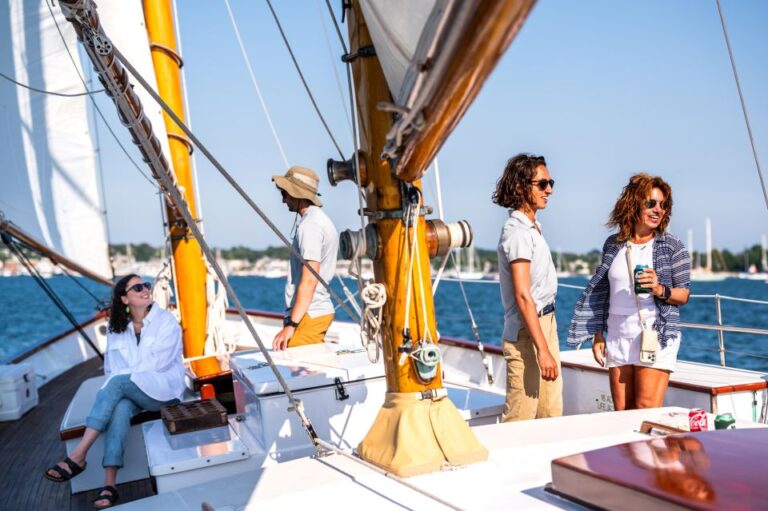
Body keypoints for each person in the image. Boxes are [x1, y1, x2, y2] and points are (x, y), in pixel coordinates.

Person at [43, 274, 185, 509]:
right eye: (137, 287)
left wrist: (122, 379)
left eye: (146, 285)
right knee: (119, 408)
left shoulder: (166, 322)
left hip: (163, 390)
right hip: (132, 389)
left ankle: (78, 455)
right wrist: (122, 381)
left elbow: (155, 366)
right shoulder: (117, 328)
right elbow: (111, 367)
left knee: (118, 383)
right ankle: (109, 484)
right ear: (124, 298)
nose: (145, 289)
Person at [568, 173, 690, 410]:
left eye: (663, 205)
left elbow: (683, 294)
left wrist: (658, 288)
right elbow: (603, 293)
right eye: (651, 203)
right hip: (617, 335)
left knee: (645, 410)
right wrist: (598, 335)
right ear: (634, 204)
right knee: (622, 412)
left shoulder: (672, 246)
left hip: (655, 333)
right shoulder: (613, 244)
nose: (658, 210)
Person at [493, 153, 561, 422]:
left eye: (550, 183)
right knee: (520, 417)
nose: (550, 190)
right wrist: (542, 350)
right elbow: (523, 296)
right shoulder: (518, 232)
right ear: (522, 188)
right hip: (527, 332)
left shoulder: (532, 227)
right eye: (542, 184)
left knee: (550, 413)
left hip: (545, 323)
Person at [271, 166, 338, 351]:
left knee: (301, 374)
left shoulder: (310, 226)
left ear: (297, 193)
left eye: (285, 192)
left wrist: (291, 325)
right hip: (312, 312)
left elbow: (310, 279)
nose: (283, 199)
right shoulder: (320, 220)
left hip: (308, 314)